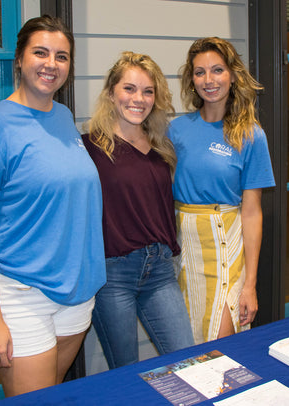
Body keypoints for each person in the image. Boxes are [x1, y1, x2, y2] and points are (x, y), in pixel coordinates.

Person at [0, 15, 106, 396]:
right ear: (19, 60)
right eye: (40, 53)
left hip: (75, 293)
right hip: (21, 297)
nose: (51, 64)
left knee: (50, 394)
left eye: (61, 56)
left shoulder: (63, 116)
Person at [82, 51, 194, 369]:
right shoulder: (89, 148)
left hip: (160, 268)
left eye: (147, 91)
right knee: (126, 371)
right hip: (113, 274)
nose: (138, 99)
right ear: (110, 93)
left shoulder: (162, 147)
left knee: (188, 359)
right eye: (129, 89)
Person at [170, 37, 275, 344]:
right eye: (200, 72)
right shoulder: (177, 130)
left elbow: (252, 212)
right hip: (183, 249)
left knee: (218, 344)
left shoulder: (251, 135)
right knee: (186, 345)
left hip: (226, 245)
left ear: (232, 75)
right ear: (192, 79)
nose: (209, 80)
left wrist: (250, 285)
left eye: (217, 70)